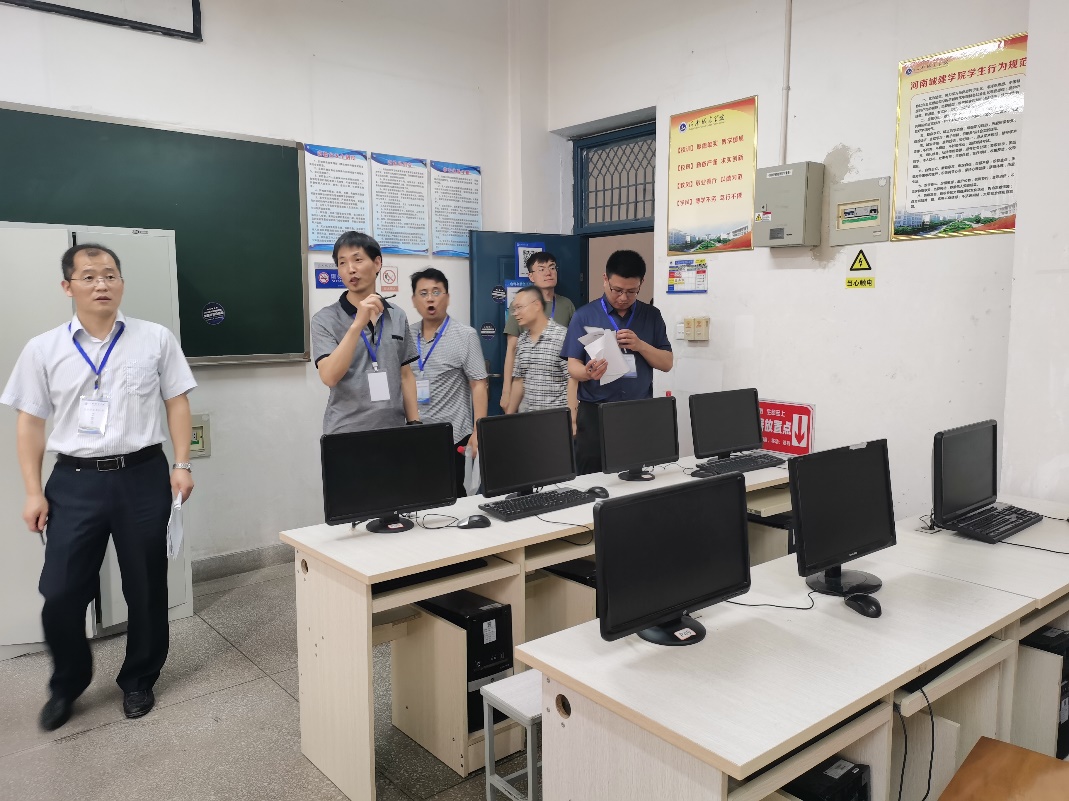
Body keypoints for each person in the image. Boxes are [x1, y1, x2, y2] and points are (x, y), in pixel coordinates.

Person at [1, 243, 196, 731]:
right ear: (67, 287)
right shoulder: (43, 348)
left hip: (143, 475)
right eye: (88, 276)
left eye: (110, 274)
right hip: (74, 481)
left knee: (146, 586)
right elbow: (29, 424)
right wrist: (33, 491)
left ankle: (139, 679)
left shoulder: (155, 338)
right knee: (61, 591)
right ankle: (67, 683)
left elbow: (176, 401)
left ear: (122, 283)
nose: (101, 284)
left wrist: (182, 463)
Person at [562, 250, 673, 474]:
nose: (623, 297)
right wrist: (587, 373)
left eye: (631, 291)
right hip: (594, 412)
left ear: (641, 283)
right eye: (617, 290)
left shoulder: (651, 315)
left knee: (635, 476)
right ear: (605, 279)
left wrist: (640, 345)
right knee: (591, 477)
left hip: (637, 413)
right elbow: (572, 366)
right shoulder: (584, 315)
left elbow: (667, 363)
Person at [312, 232, 420, 434]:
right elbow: (329, 377)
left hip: (393, 430)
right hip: (346, 432)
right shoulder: (324, 319)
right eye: (342, 263)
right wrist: (357, 325)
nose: (350, 269)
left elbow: (405, 375)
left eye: (357, 260)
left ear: (377, 263)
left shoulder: (397, 315)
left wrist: (414, 424)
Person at [409, 268, 488, 496]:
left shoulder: (465, 335)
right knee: (419, 498)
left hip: (453, 436)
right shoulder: (406, 335)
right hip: (415, 435)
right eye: (423, 293)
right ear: (414, 300)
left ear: (448, 297)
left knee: (454, 500)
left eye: (436, 292)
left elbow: (479, 384)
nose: (430, 298)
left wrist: (478, 431)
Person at [500, 251, 575, 413]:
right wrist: (506, 390)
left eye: (552, 267)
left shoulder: (566, 305)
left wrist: (573, 415)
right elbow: (511, 349)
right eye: (541, 269)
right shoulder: (520, 307)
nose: (548, 272)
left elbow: (574, 355)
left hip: (557, 399)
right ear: (531, 276)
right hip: (530, 396)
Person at [506, 286, 577, 423]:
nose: (515, 313)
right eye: (514, 309)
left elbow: (572, 381)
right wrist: (507, 418)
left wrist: (572, 420)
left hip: (556, 421)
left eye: (519, 307)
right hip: (527, 421)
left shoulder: (562, 337)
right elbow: (518, 381)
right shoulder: (522, 341)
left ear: (537, 305)